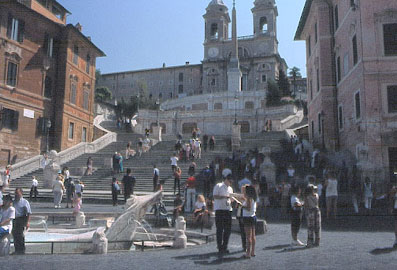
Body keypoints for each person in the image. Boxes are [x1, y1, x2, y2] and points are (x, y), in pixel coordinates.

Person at [213, 175, 234, 254]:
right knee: (220, 229)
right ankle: (219, 246)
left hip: (228, 209)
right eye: (229, 181)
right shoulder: (218, 186)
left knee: (228, 229)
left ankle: (225, 246)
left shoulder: (230, 189)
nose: (230, 183)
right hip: (219, 209)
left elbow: (231, 198)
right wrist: (224, 197)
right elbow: (215, 196)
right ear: (226, 180)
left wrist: (232, 199)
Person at [12, 188, 32, 255]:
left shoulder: (25, 202)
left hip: (21, 218)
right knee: (14, 234)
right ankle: (16, 249)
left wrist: (27, 222)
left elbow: (29, 213)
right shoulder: (13, 202)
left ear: (21, 193)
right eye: (15, 193)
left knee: (20, 234)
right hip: (14, 219)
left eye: (17, 193)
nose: (16, 195)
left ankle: (22, 250)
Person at [241, 185, 257, 258]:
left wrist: (241, 205)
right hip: (252, 217)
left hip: (247, 218)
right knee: (253, 236)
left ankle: (248, 253)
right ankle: (252, 251)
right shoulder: (253, 198)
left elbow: (248, 208)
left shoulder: (249, 199)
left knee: (248, 236)